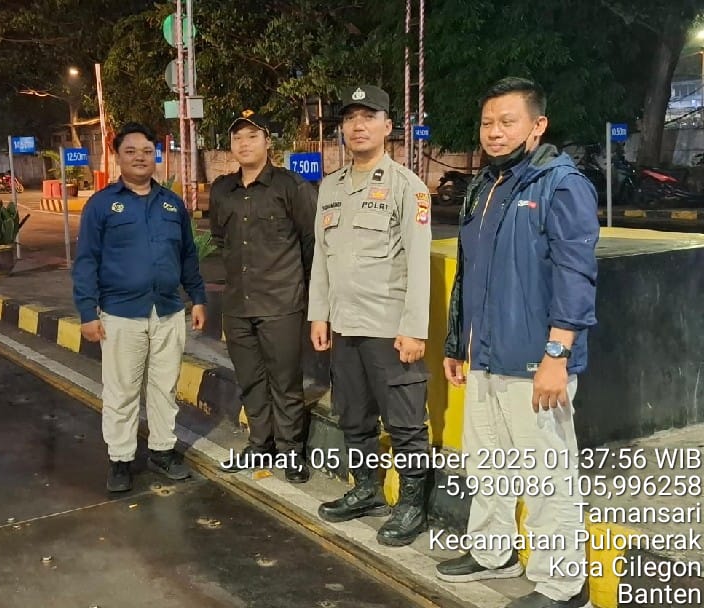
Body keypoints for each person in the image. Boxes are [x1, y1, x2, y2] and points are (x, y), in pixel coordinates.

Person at [435, 77, 597, 608]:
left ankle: (562, 585)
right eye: (487, 123)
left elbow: (576, 275)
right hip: (484, 356)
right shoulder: (485, 186)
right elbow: (470, 273)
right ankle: (492, 552)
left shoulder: (561, 184)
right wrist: (456, 342)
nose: (495, 132)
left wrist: (557, 355)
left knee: (548, 476)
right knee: (488, 466)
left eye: (508, 121)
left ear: (537, 125)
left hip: (535, 361)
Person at [308, 85, 433, 546]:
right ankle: (367, 489)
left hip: (389, 328)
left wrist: (413, 329)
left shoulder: (407, 186)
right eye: (350, 118)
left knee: (405, 422)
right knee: (353, 416)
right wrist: (319, 315)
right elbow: (322, 258)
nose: (358, 126)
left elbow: (418, 262)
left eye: (368, 117)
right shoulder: (331, 187)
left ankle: (412, 506)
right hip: (345, 326)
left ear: (388, 127)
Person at [71, 122, 208, 493]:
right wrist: (87, 312)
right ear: (117, 156)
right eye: (131, 151)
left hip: (168, 310)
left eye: (147, 151)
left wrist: (198, 297)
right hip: (120, 313)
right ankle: (121, 459)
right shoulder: (102, 205)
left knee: (165, 387)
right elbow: (86, 261)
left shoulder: (171, 204)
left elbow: (188, 255)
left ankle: (162, 451)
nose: (140, 158)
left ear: (155, 156)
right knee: (122, 390)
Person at [209, 110, 317, 483]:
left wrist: (307, 297)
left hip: (281, 304)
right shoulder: (222, 190)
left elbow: (310, 243)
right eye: (238, 137)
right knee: (250, 380)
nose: (244, 143)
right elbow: (220, 240)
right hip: (237, 305)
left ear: (268, 142)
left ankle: (290, 451)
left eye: (252, 136)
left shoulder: (291, 187)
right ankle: (260, 444)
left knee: (285, 382)